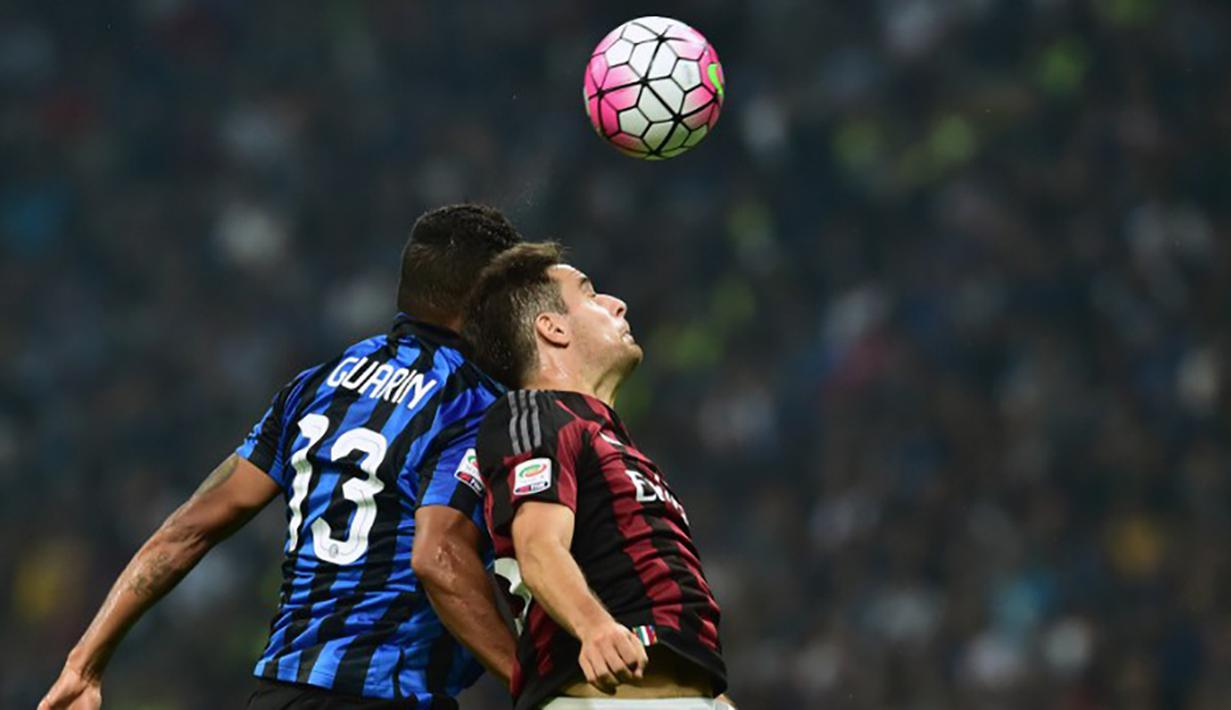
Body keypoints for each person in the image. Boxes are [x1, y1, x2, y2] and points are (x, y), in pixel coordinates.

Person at [40, 204, 521, 709]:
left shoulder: (318, 384)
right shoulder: (474, 403)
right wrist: (534, 686)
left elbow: (186, 530)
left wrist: (84, 663)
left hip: (283, 695)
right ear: (487, 304)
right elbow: (437, 561)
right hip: (382, 693)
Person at [462, 242, 734, 710]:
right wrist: (594, 627)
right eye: (590, 294)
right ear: (552, 328)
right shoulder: (536, 412)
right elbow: (538, 545)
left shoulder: (614, 444)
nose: (616, 303)